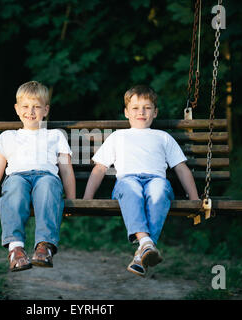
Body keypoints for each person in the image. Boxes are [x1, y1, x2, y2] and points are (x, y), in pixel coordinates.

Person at [83, 85, 199, 277]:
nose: (141, 112)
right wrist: (87, 198)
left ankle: (142, 251)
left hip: (156, 180)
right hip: (127, 182)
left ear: (155, 112)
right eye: (136, 108)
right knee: (132, 189)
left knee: (159, 189)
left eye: (147, 107)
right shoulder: (118, 137)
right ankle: (147, 244)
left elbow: (181, 167)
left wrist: (194, 198)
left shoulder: (163, 137)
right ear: (126, 113)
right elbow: (100, 168)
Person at [0, 81, 76, 272]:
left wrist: (73, 200)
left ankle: (44, 246)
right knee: (14, 188)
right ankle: (16, 248)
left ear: (46, 110)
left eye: (36, 107)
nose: (30, 111)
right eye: (25, 106)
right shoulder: (8, 136)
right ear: (17, 109)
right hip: (17, 177)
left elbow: (66, 170)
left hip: (46, 176)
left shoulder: (56, 136)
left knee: (48, 186)